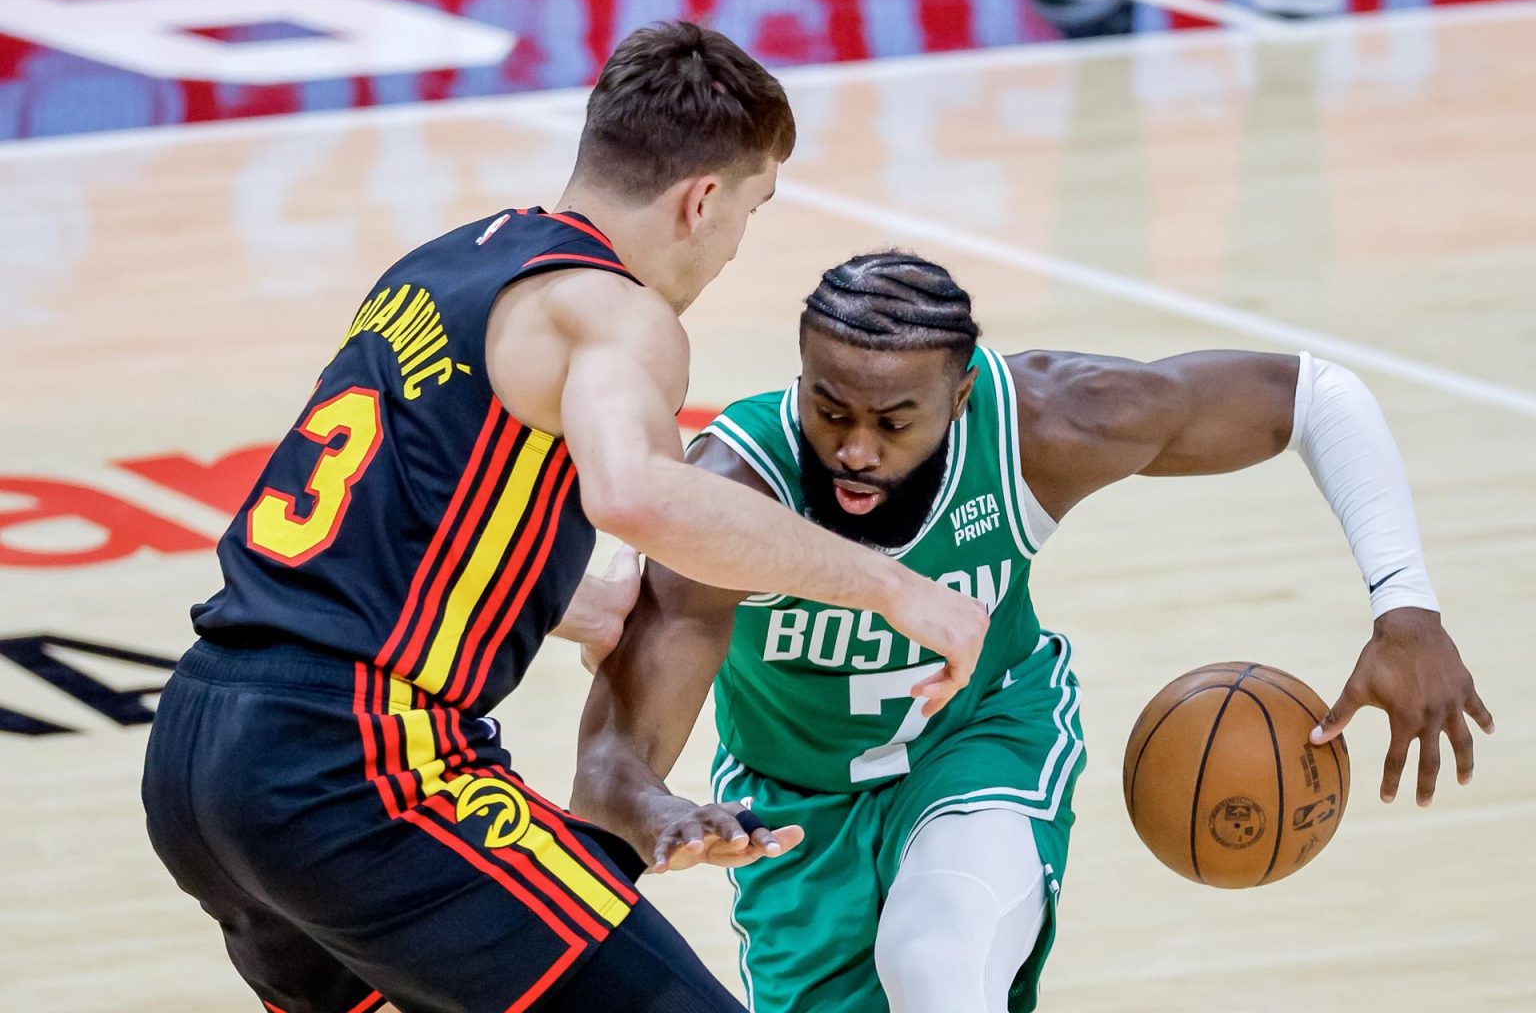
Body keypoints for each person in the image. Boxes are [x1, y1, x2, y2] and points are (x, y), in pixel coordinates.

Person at [140, 28, 990, 1013]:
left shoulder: (445, 266)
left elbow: (384, 527)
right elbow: (635, 494)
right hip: (358, 765)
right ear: (702, 199)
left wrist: (575, 604)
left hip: (203, 749)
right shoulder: (615, 313)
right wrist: (898, 588)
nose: (730, 247)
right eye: (749, 213)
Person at [572, 251, 1495, 1013]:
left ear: (963, 394)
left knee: (936, 966)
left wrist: (1405, 606)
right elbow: (611, 764)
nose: (856, 449)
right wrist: (662, 814)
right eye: (831, 409)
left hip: (984, 739)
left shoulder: (1049, 424)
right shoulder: (732, 493)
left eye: (895, 423)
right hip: (797, 803)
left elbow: (1316, 397)